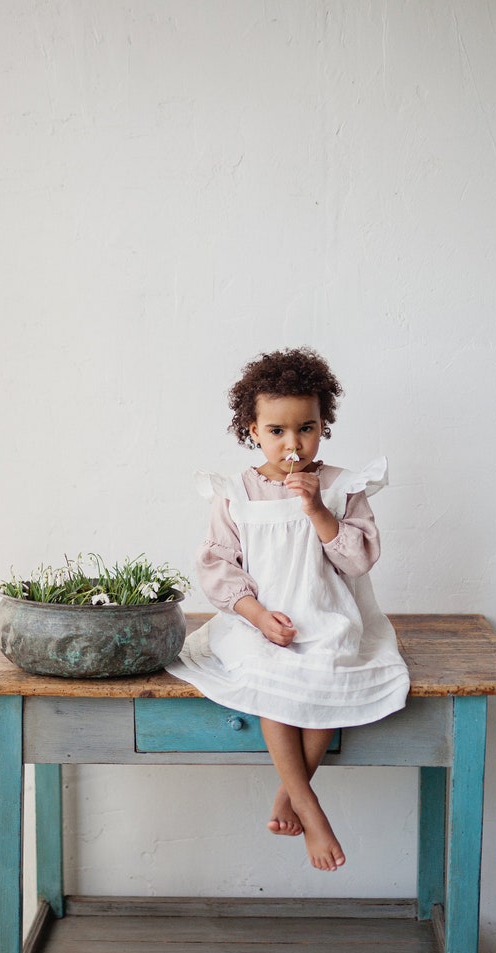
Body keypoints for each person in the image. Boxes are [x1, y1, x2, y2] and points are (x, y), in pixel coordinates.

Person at [167, 347, 409, 872]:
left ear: (324, 426)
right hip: (260, 619)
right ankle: (310, 806)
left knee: (328, 666)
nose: (292, 443)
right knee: (271, 675)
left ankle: (290, 794)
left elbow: (358, 559)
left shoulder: (343, 487)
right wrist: (254, 614)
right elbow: (217, 563)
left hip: (326, 613)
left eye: (307, 428)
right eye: (276, 431)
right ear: (251, 429)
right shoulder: (236, 492)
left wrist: (317, 507)